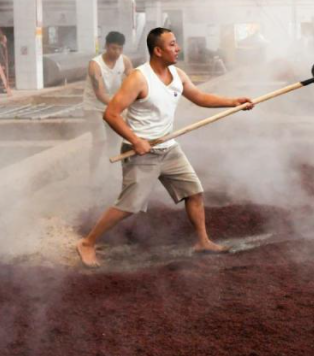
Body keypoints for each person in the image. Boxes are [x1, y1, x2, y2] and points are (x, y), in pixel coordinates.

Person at [76, 27, 254, 268]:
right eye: (172, 45)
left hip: (168, 148)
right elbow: (111, 114)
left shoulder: (178, 74)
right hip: (142, 151)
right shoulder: (139, 78)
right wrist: (136, 141)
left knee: (194, 192)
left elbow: (200, 97)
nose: (177, 48)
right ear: (158, 51)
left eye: (176, 43)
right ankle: (87, 243)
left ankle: (203, 241)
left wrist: (232, 102)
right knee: (129, 206)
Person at [82, 31, 134, 180]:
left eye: (119, 49)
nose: (116, 52)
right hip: (93, 106)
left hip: (113, 105)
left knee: (115, 141)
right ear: (106, 46)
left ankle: (112, 173)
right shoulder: (95, 65)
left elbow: (134, 80)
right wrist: (121, 104)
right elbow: (100, 94)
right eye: (113, 48)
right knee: (100, 140)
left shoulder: (125, 61)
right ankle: (93, 174)